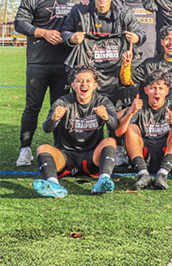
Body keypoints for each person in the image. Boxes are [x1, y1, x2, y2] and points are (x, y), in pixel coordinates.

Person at [14, 0, 82, 166]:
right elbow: (19, 23)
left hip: (66, 65)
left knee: (60, 108)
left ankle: (59, 148)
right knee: (32, 107)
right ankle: (25, 149)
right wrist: (42, 32)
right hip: (38, 63)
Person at [31, 66, 119, 198]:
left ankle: (103, 180)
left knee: (110, 141)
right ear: (73, 85)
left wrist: (106, 117)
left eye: (88, 81)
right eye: (79, 81)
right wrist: (53, 119)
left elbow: (115, 125)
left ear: (95, 85)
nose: (84, 84)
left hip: (91, 157)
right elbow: (46, 128)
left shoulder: (102, 101)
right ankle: (53, 184)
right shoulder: (62, 101)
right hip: (66, 157)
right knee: (42, 148)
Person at [61, 0, 145, 108]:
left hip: (115, 75)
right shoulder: (80, 10)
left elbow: (140, 32)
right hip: (88, 73)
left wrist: (137, 37)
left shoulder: (124, 12)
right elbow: (65, 31)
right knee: (89, 115)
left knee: (115, 117)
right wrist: (71, 38)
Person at [115, 71, 172, 190]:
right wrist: (130, 112)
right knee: (131, 127)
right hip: (143, 155)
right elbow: (118, 132)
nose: (157, 92)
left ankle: (162, 174)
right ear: (146, 90)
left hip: (166, 157)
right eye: (153, 88)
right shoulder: (138, 106)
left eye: (161, 88)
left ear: (167, 91)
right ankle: (143, 174)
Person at [120, 25, 172, 115]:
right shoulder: (150, 63)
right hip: (152, 113)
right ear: (162, 42)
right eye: (167, 39)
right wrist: (126, 64)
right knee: (121, 118)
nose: (171, 43)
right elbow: (126, 80)